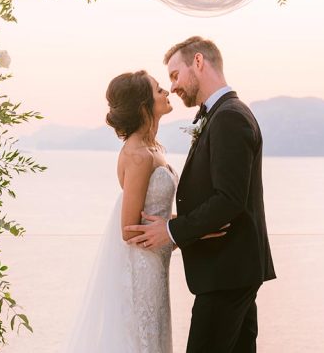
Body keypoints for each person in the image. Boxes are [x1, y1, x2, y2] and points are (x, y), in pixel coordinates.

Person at [125, 37, 276, 353]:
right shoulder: (221, 113)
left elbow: (229, 199)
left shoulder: (229, 116)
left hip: (227, 271)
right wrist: (189, 224)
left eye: (175, 75)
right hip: (232, 271)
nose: (174, 87)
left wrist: (170, 231)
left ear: (198, 62)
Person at [66, 70, 224, 352]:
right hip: (143, 270)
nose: (165, 92)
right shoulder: (138, 155)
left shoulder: (153, 148)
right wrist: (181, 234)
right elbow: (129, 229)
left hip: (155, 263)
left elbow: (154, 219)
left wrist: (192, 228)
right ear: (143, 105)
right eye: (158, 89)